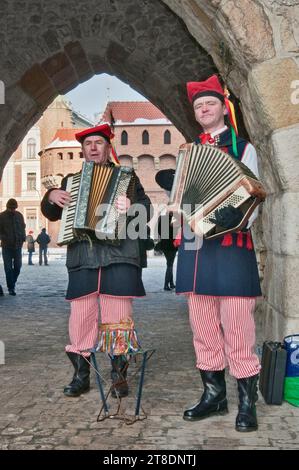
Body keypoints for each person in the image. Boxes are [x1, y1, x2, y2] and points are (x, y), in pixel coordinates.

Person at [155, 75, 262, 432]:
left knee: (238, 327)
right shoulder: (190, 151)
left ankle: (248, 402)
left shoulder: (243, 147)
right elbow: (183, 201)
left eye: (209, 104)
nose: (203, 109)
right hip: (196, 249)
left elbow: (253, 192)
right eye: (199, 106)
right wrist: (175, 193)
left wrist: (235, 214)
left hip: (232, 247)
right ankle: (214, 396)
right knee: (202, 328)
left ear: (223, 109)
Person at [41, 124, 152, 398]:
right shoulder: (70, 181)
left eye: (98, 143)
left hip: (119, 258)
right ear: (82, 150)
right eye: (88, 143)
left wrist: (132, 208)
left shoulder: (127, 178)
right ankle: (81, 376)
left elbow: (145, 210)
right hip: (83, 258)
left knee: (119, 320)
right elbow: (53, 214)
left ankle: (118, 377)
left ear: (107, 148)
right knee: (81, 319)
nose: (93, 147)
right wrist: (50, 196)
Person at [0, 198, 26, 295]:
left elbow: (23, 227)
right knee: (8, 268)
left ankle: (12, 283)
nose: (13, 210)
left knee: (18, 267)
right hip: (6, 246)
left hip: (18, 246)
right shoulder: (1, 216)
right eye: (11, 208)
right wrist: (4, 237)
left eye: (14, 208)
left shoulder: (19, 215)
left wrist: (23, 238)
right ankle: (11, 288)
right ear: (7, 208)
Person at [155, 212, 177, 291]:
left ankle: (171, 283)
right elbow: (176, 233)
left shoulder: (161, 218)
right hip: (172, 246)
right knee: (170, 265)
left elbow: (158, 232)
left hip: (164, 245)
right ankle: (166, 285)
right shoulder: (174, 219)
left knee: (169, 263)